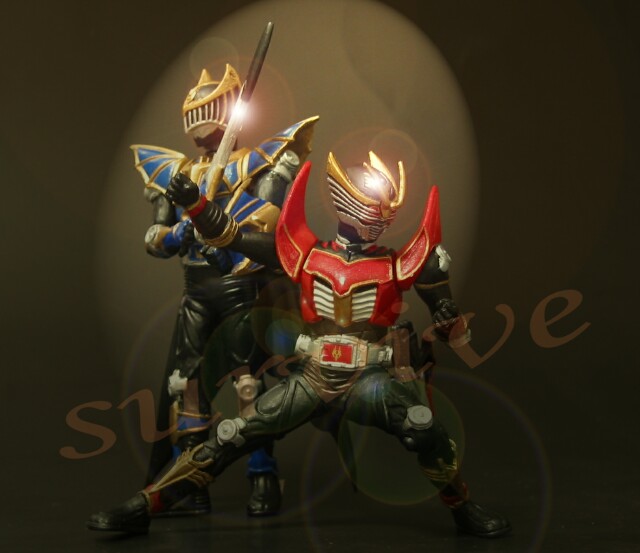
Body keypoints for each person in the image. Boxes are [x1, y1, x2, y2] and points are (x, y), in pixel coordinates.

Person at [88, 151, 511, 538]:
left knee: (424, 428)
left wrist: (447, 318)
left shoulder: (399, 263)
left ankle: (463, 509)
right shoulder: (305, 254)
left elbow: (455, 333)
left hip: (369, 380)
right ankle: (147, 504)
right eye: (375, 204)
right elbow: (231, 236)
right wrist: (196, 204)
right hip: (311, 379)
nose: (380, 216)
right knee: (232, 434)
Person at [131, 62, 318, 516]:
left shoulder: (261, 162)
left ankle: (262, 472)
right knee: (189, 386)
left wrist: (222, 230)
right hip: (197, 289)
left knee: (248, 383)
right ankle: (190, 482)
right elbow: (155, 238)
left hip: (240, 285)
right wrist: (177, 235)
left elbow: (270, 229)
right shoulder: (175, 173)